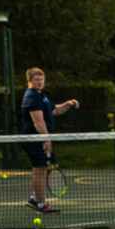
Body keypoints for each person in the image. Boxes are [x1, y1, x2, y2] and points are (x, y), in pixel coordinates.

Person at [18, 67, 79, 212]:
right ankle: (40, 204)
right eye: (36, 80)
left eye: (41, 79)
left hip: (40, 138)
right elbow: (38, 122)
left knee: (41, 169)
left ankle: (34, 198)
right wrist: (46, 139)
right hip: (34, 139)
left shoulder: (41, 95)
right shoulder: (31, 96)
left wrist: (68, 104)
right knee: (40, 169)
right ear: (30, 81)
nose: (40, 82)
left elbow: (54, 110)